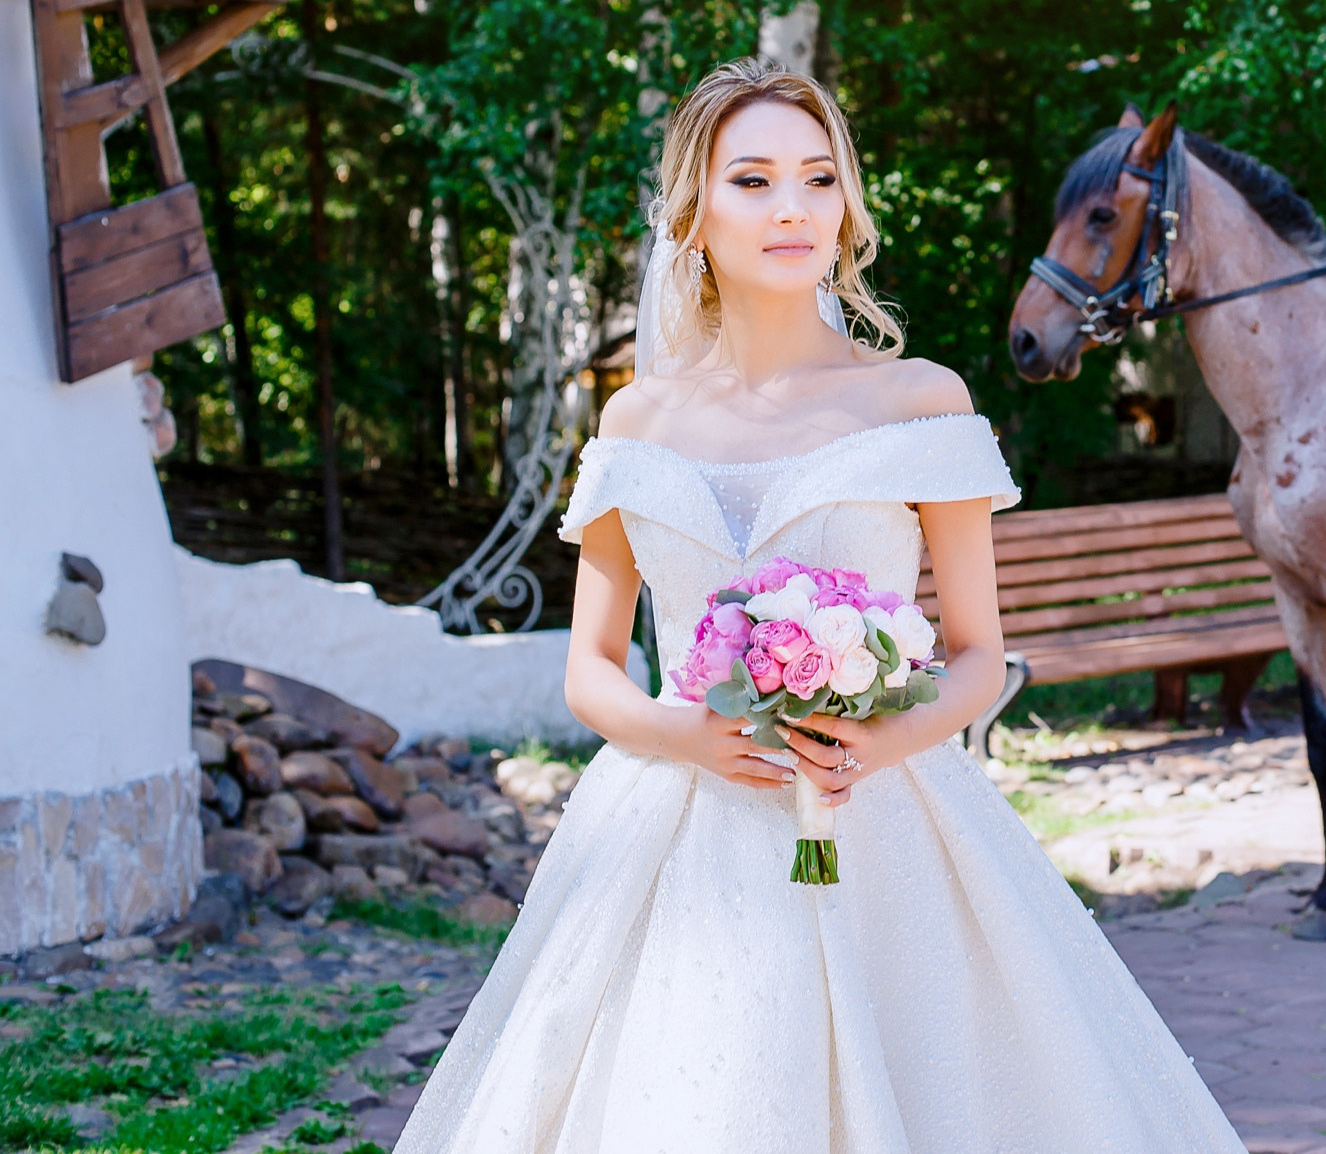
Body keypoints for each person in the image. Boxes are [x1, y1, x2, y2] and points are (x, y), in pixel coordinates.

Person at [394, 58, 1246, 1152]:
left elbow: (980, 657)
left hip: (881, 824)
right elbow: (591, 669)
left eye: (816, 178)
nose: (790, 207)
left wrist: (877, 740)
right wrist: (683, 733)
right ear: (693, 212)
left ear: (846, 207)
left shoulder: (917, 401)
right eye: (750, 180)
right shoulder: (634, 420)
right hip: (673, 833)